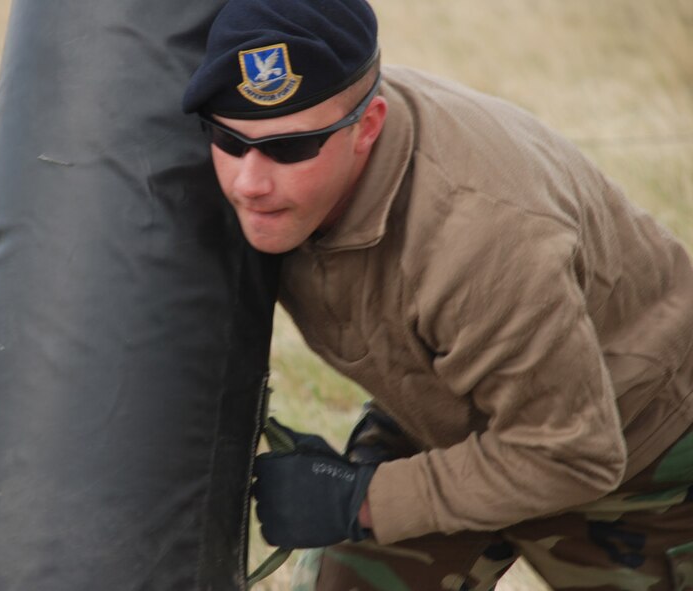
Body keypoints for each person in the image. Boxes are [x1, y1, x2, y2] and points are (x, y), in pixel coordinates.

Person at [182, 0, 693, 589]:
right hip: (443, 415)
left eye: (290, 149)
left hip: (636, 451)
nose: (250, 182)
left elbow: (574, 453)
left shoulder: (482, 236)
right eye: (229, 139)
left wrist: (360, 500)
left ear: (367, 127)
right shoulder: (279, 164)